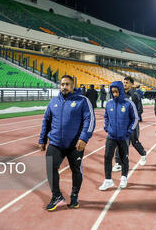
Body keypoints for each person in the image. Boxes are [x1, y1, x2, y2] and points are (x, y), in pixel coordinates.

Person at [38, 75, 95, 211]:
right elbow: (46, 121)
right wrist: (42, 139)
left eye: (67, 84)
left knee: (76, 170)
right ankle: (57, 196)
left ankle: (74, 196)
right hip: (56, 143)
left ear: (72, 85)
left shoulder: (82, 101)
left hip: (75, 144)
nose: (64, 87)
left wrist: (84, 138)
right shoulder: (53, 102)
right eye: (62, 84)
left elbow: (90, 120)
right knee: (51, 168)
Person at [99, 81, 138, 190]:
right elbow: (106, 117)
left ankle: (124, 178)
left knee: (123, 158)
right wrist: (107, 128)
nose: (115, 94)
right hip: (111, 136)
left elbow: (135, 119)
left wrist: (128, 132)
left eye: (116, 92)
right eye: (113, 92)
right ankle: (108, 180)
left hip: (123, 137)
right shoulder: (109, 103)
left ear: (121, 91)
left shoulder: (129, 103)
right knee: (107, 157)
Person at [112, 77, 147, 172]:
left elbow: (140, 110)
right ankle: (118, 163)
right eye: (123, 82)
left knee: (134, 142)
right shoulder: (119, 94)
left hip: (132, 123)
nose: (124, 84)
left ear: (131, 84)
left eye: (126, 83)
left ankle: (143, 154)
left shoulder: (135, 95)